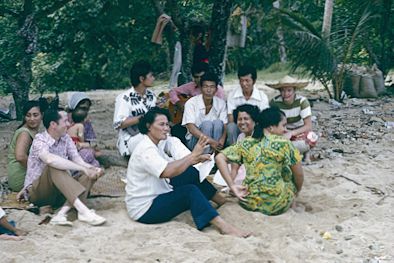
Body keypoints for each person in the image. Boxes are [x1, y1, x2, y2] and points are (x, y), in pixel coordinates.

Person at [125, 107, 250, 238]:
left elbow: (173, 165)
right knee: (189, 191)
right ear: (148, 126)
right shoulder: (146, 148)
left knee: (189, 172)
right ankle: (223, 227)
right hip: (145, 209)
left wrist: (195, 159)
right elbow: (166, 171)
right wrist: (192, 156)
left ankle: (220, 200)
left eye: (167, 124)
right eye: (161, 124)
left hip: (159, 192)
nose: (166, 128)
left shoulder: (156, 143)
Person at [21, 109, 106, 226]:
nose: (69, 124)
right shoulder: (40, 139)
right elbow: (50, 160)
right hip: (38, 193)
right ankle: (84, 211)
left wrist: (91, 169)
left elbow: (78, 160)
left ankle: (62, 213)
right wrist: (83, 168)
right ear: (53, 125)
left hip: (61, 191)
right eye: (65, 121)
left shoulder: (65, 138)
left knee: (90, 173)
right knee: (54, 166)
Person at [216, 107, 304, 216]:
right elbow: (299, 174)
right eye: (283, 125)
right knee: (288, 171)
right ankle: (292, 203)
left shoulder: (246, 143)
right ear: (271, 127)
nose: (285, 130)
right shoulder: (284, 144)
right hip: (277, 205)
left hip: (249, 202)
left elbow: (219, 158)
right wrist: (297, 190)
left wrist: (232, 185)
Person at [268, 76, 318, 162]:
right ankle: (294, 151)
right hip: (281, 131)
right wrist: (283, 132)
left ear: (294, 91)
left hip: (299, 131)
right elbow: (271, 122)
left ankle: (300, 151)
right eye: (283, 90)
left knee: (311, 138)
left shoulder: (302, 102)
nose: (286, 94)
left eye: (289, 90)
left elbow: (308, 126)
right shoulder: (274, 102)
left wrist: (291, 133)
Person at [113, 60, 157, 156]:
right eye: (151, 76)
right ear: (141, 78)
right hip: (130, 139)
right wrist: (143, 118)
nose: (154, 78)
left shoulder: (152, 96)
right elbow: (118, 124)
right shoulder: (124, 98)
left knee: (172, 140)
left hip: (151, 134)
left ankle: (194, 165)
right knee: (153, 138)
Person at [214, 104, 260, 186]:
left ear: (254, 120)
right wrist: (232, 183)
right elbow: (235, 161)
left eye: (246, 119)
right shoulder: (241, 137)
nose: (242, 122)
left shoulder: (259, 136)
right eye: (239, 119)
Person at [182, 72, 227, 153]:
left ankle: (215, 154)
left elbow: (225, 124)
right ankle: (205, 156)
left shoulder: (221, 103)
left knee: (218, 123)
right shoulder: (191, 103)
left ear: (216, 89)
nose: (208, 90)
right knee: (207, 124)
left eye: (212, 87)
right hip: (195, 142)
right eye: (205, 86)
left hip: (216, 142)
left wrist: (222, 140)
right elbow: (191, 128)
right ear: (200, 88)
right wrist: (211, 141)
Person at [226, 65, 269, 145]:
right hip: (239, 126)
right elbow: (230, 117)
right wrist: (242, 125)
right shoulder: (232, 95)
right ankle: (234, 151)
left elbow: (264, 118)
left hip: (256, 128)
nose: (244, 84)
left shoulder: (262, 96)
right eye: (241, 81)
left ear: (254, 81)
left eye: (247, 80)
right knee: (231, 127)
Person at [7, 101, 43, 192]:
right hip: (21, 180)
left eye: (35, 115)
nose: (32, 119)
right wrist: (38, 169)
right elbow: (20, 157)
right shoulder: (25, 133)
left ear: (42, 115)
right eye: (28, 115)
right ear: (24, 117)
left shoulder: (34, 132)